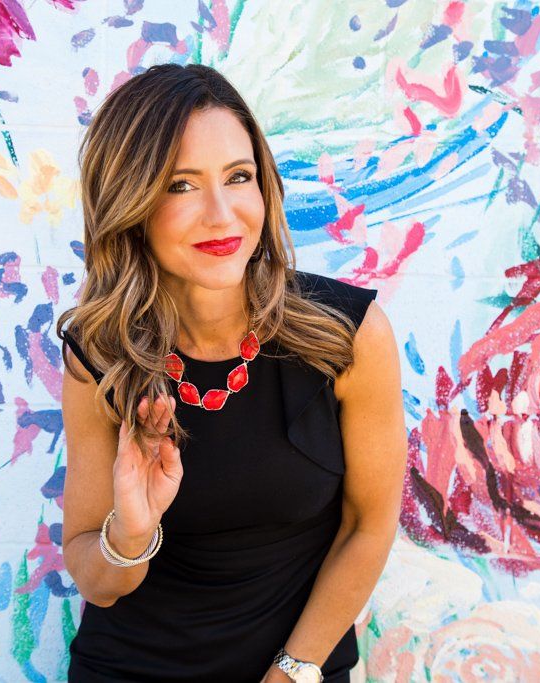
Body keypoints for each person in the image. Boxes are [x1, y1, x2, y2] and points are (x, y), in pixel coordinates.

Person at [57, 62, 407, 683]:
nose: (222, 215)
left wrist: (291, 673)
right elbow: (96, 579)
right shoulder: (101, 353)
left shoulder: (345, 335)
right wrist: (132, 530)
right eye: (180, 185)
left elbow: (368, 523)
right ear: (131, 203)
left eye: (238, 177)